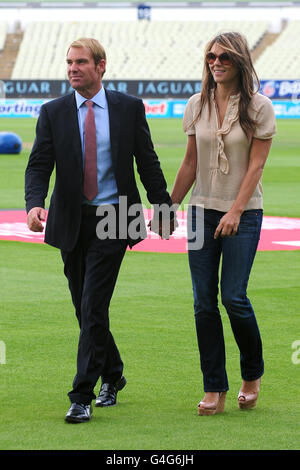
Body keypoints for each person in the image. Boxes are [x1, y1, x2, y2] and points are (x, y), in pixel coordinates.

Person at [25, 37, 175, 423]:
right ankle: (114, 373)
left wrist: (162, 207)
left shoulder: (128, 108)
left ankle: (81, 395)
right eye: (69, 63)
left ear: (101, 66)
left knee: (93, 305)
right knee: (85, 308)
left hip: (116, 215)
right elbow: (39, 164)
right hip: (70, 219)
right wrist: (34, 202)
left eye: (80, 62)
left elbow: (147, 160)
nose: (72, 68)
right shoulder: (53, 111)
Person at [171, 31, 276, 415]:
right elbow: (189, 163)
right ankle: (213, 386)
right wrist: (170, 206)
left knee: (233, 296)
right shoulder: (195, 104)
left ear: (240, 61)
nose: (216, 62)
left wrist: (234, 210)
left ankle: (252, 374)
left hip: (244, 214)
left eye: (224, 57)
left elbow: (256, 165)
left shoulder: (260, 107)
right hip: (200, 210)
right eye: (211, 57)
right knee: (203, 302)